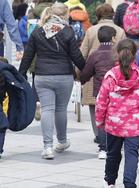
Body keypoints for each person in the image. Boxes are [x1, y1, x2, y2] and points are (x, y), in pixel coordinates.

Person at [19, 2, 85, 160]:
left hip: (42, 76)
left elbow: (28, 55)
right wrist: (87, 71)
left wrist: (21, 74)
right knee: (60, 109)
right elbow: (76, 56)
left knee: (47, 109)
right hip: (64, 76)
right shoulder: (68, 31)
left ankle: (47, 147)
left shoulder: (38, 31)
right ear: (65, 15)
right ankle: (62, 141)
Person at [96, 39, 139, 188]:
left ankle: (110, 181)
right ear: (135, 54)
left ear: (117, 54)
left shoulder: (110, 76)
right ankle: (129, 183)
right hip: (135, 125)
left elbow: (101, 101)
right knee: (132, 155)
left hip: (114, 123)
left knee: (113, 153)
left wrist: (100, 121)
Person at [80, 3, 125, 145]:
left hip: (94, 76)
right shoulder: (120, 31)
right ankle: (113, 134)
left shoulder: (91, 31)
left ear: (98, 15)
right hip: (115, 76)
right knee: (115, 106)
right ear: (112, 14)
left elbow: (82, 53)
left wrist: (79, 74)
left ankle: (99, 135)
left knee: (95, 107)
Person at [80, 26, 117, 160]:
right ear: (113, 38)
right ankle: (115, 145)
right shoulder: (116, 53)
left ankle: (103, 148)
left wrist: (82, 80)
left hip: (100, 91)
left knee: (101, 119)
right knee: (114, 117)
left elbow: (86, 73)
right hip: (116, 91)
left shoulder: (94, 54)